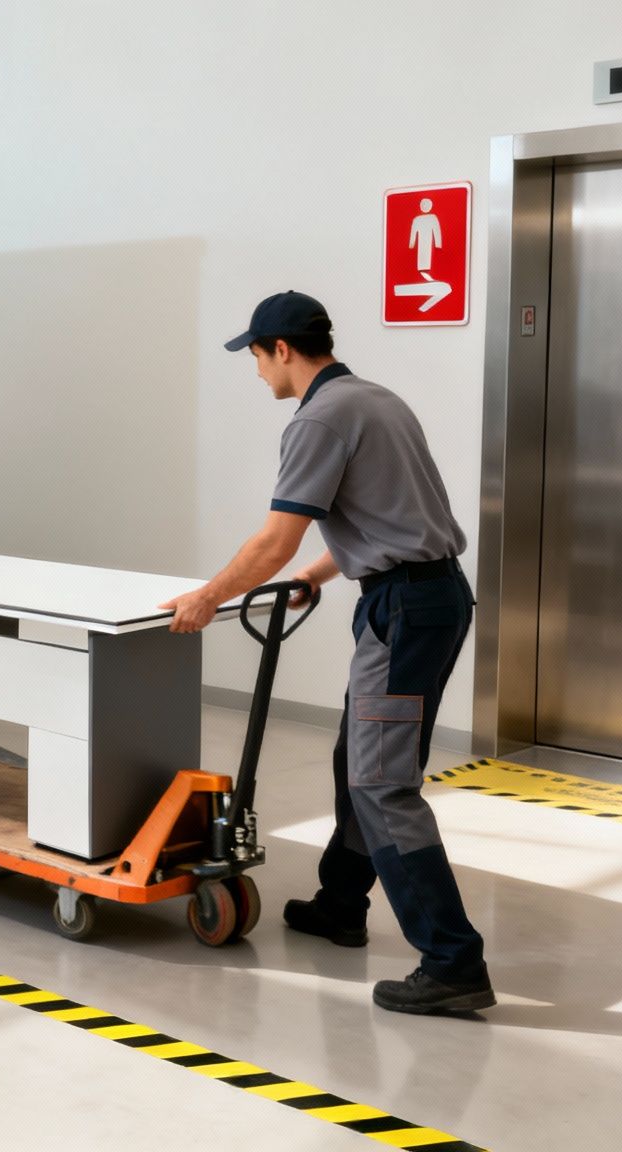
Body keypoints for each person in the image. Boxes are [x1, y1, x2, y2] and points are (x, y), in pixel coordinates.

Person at [160, 291, 494, 1016]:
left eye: (254, 355)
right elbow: (390, 511)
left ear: (282, 349)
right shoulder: (376, 400)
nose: (255, 372)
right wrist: (319, 573)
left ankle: (452, 960)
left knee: (380, 782)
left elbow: (274, 539)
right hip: (429, 599)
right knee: (361, 760)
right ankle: (341, 904)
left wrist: (208, 596)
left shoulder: (315, 418)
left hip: (402, 612)